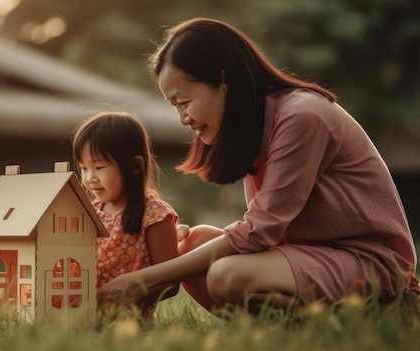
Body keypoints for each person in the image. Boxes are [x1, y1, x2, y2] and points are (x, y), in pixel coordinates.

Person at [97, 18, 420, 314]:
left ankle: (388, 310)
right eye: (174, 107)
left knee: (226, 274)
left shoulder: (301, 116)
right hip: (306, 256)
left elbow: (260, 230)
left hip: (369, 262)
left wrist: (143, 278)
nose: (182, 119)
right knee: (192, 246)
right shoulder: (253, 125)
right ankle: (283, 327)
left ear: (223, 80)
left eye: (185, 102)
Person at [71, 111, 180, 317]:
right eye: (84, 168)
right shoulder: (88, 211)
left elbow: (170, 282)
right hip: (82, 316)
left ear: (134, 167)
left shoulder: (155, 216)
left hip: (127, 321)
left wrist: (122, 300)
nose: (89, 178)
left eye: (99, 167)